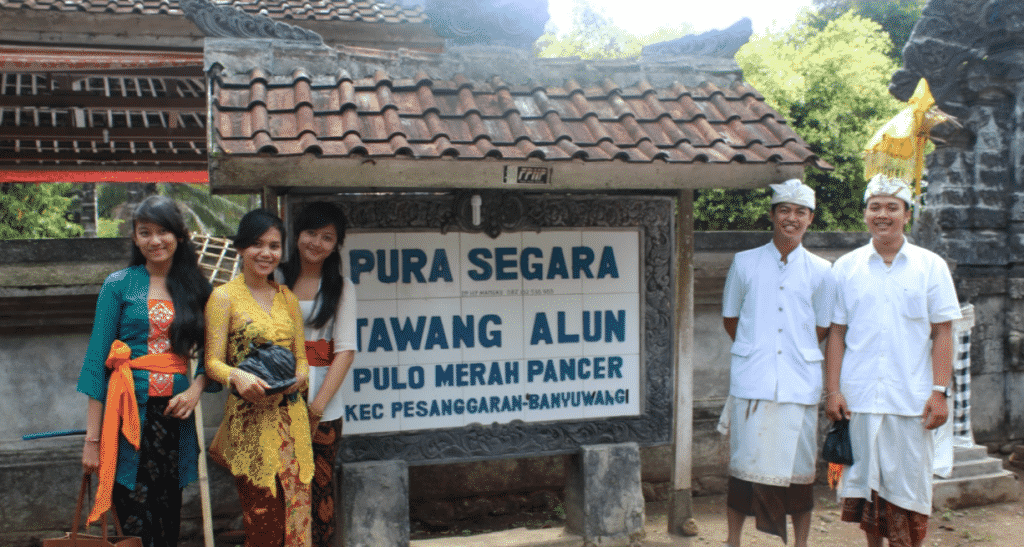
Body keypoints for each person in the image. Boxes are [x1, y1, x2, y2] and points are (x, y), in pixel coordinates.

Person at [826, 174, 960, 547]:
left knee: (911, 492)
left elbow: (943, 332)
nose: (882, 215)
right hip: (860, 398)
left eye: (891, 207)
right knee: (867, 489)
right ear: (865, 213)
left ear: (906, 215)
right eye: (875, 207)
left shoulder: (930, 266)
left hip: (911, 400)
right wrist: (832, 390)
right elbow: (837, 333)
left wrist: (938, 392)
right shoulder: (847, 267)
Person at [78, 195, 213, 547]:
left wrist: (196, 389)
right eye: (145, 232)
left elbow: (217, 354)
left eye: (163, 231)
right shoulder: (118, 284)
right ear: (136, 239)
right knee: (134, 525)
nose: (155, 241)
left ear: (179, 236)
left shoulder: (196, 288)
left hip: (174, 419)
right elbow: (96, 362)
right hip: (124, 417)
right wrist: (91, 441)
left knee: (168, 520)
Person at [720, 179, 834, 547]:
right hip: (753, 381)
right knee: (743, 467)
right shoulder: (745, 262)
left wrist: (791, 350)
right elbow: (730, 319)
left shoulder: (822, 270)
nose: (792, 218)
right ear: (772, 215)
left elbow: (822, 325)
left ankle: (800, 543)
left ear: (810, 219)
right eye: (784, 210)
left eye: (800, 212)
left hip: (799, 382)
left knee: (799, 470)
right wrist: (761, 348)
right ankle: (733, 541)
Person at [205, 209, 313, 547]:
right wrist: (237, 376)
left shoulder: (288, 299)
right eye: (257, 244)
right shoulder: (223, 298)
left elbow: (302, 358)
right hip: (250, 422)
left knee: (299, 514)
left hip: (292, 420)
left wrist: (300, 376)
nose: (266, 254)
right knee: (262, 520)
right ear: (240, 248)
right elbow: (212, 363)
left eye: (274, 246)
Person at [277, 202, 357, 547]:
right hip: (274, 404)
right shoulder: (275, 278)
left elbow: (345, 350)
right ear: (297, 236)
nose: (317, 243)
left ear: (336, 245)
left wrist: (318, 405)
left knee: (320, 493)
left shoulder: (341, 286)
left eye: (327, 237)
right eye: (311, 233)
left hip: (323, 411)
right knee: (279, 491)